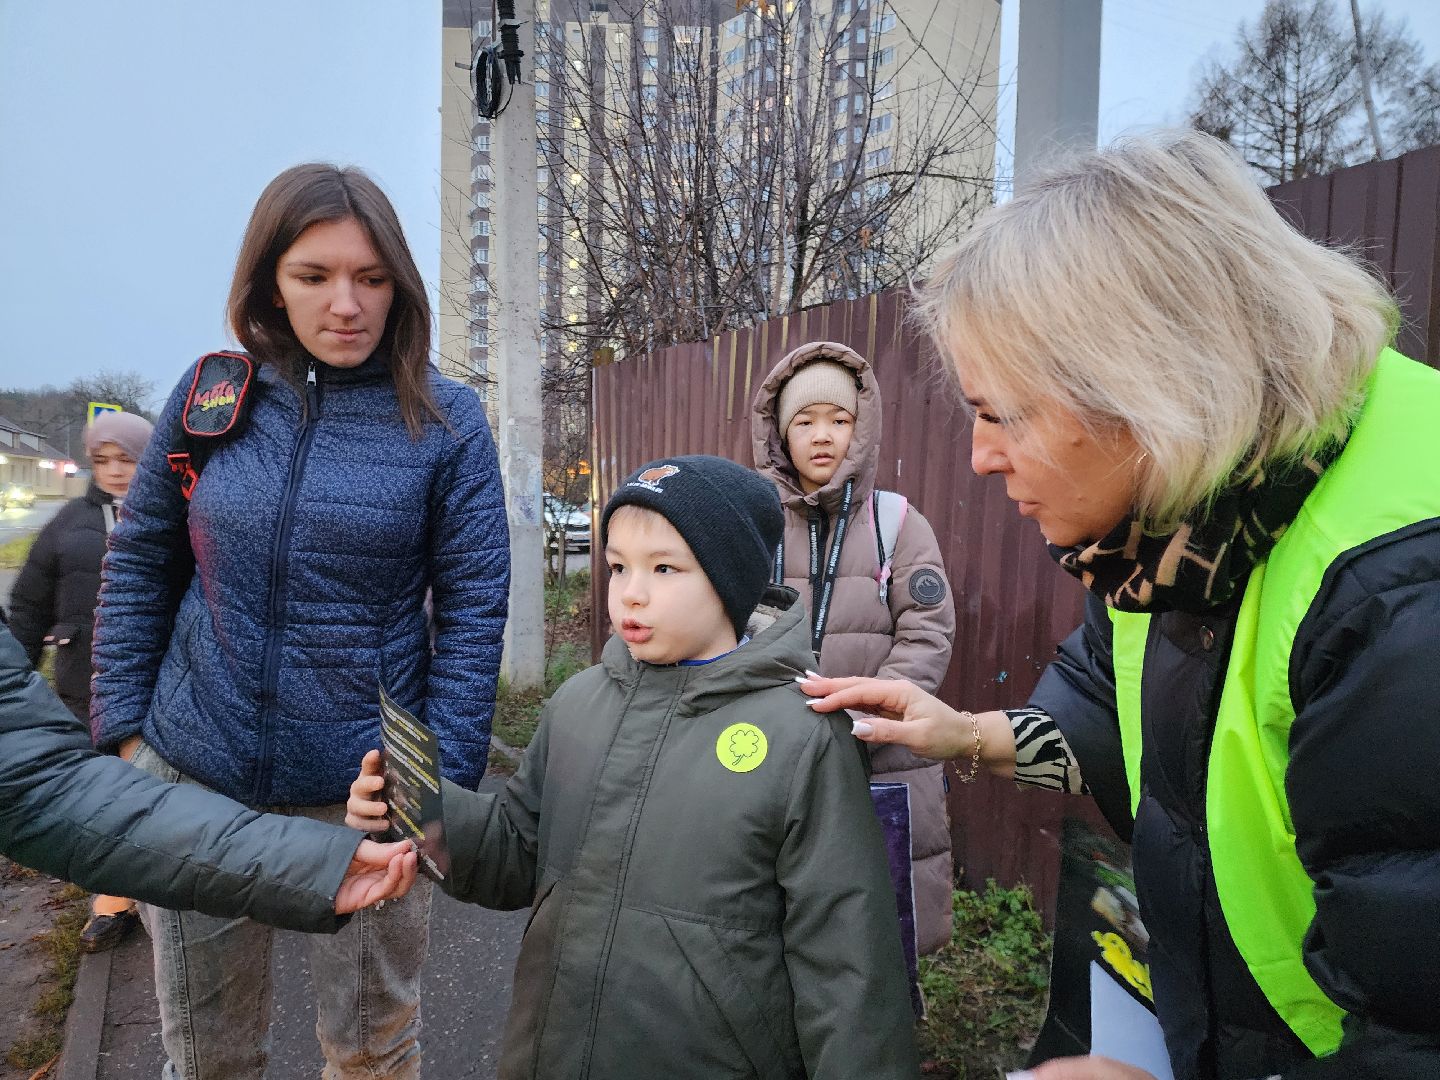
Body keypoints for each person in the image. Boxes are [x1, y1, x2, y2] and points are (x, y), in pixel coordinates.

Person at [800, 131, 1440, 1079]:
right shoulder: (1184, 514)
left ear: (1138, 389)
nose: (979, 457)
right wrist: (965, 733)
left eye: (1001, 413)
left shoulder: (1399, 600)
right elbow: (1122, 708)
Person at [91, 164, 510, 1080]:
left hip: (364, 797)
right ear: (269, 285)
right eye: (314, 276)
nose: (346, 304)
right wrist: (124, 737)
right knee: (208, 1056)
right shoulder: (210, 398)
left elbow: (476, 613)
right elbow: (142, 563)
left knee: (369, 1049)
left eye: (370, 277)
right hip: (194, 780)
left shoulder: (447, 422)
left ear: (399, 282)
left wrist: (428, 792)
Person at [346, 455, 920, 1079]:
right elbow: (515, 856)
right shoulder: (579, 705)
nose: (630, 592)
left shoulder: (803, 735)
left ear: (731, 580)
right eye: (618, 566)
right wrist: (419, 806)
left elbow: (848, 966)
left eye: (664, 568)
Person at [752, 340, 957, 954]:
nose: (823, 436)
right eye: (805, 421)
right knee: (782, 924)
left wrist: (869, 716)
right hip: (777, 758)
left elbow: (927, 631)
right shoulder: (756, 519)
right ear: (780, 434)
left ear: (861, 430)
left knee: (882, 929)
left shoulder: (896, 523)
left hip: (882, 759)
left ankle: (887, 1035)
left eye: (839, 421)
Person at [0, 622, 418, 923]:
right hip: (196, 760)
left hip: (355, 788)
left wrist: (314, 863)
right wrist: (127, 732)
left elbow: (43, 786)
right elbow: (136, 571)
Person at [8, 410, 156, 952]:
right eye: (102, 460)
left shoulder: (176, 515)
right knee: (102, 800)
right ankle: (113, 901)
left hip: (156, 682)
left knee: (152, 791)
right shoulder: (68, 525)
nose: (115, 471)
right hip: (83, 683)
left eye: (128, 459)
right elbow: (26, 604)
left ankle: (165, 895)